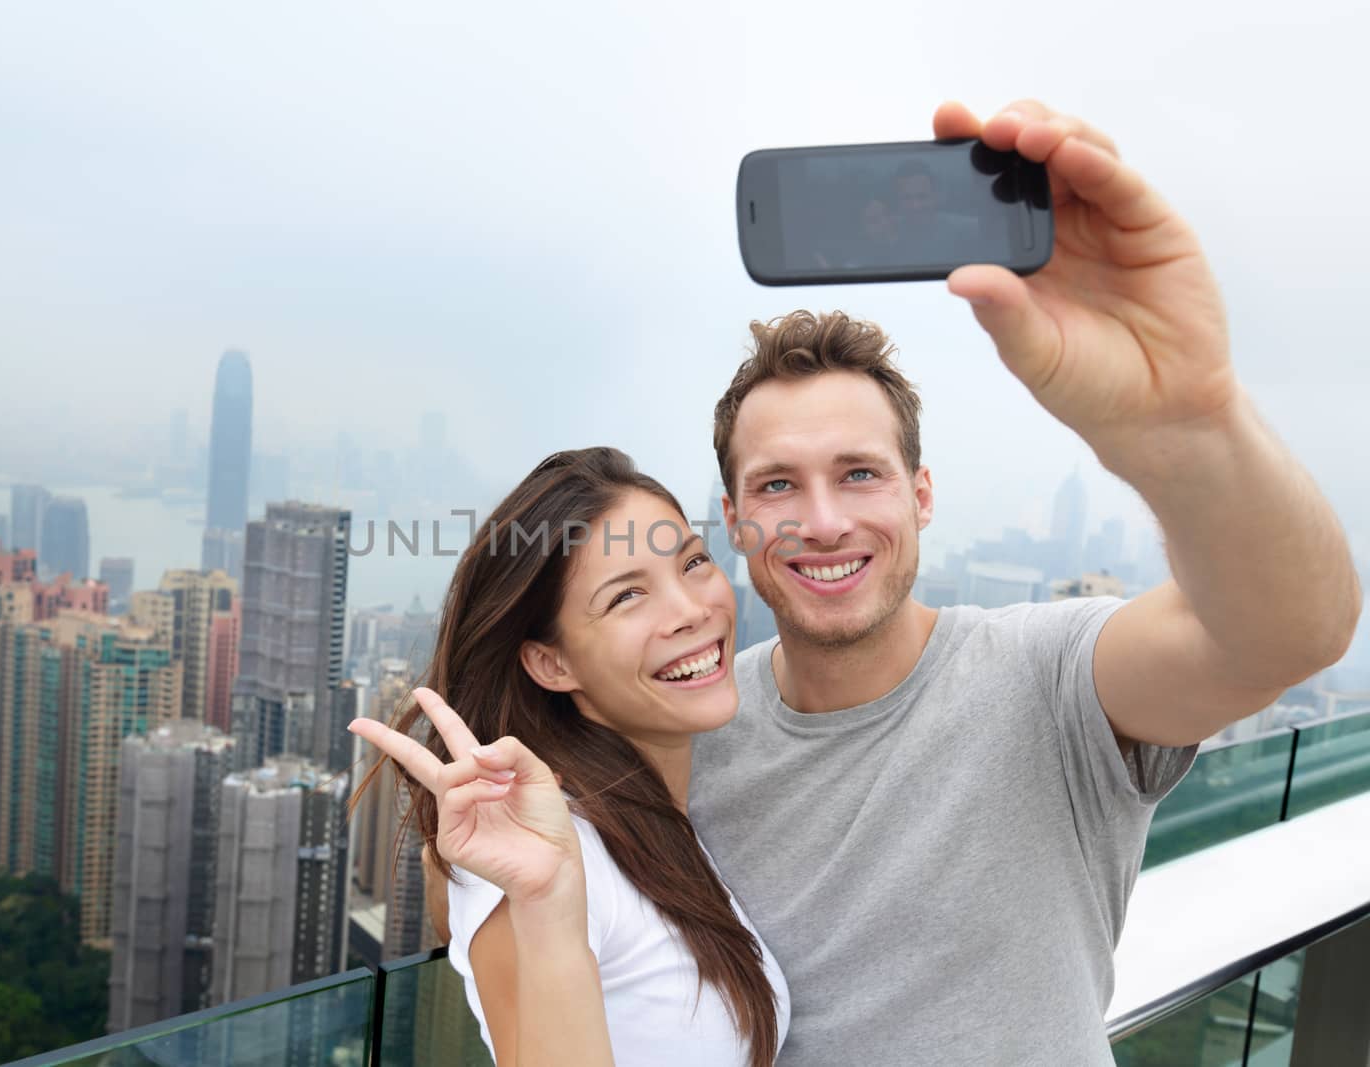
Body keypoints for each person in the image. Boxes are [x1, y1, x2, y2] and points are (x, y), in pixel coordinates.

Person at [683, 99, 1362, 1065]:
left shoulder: (1050, 680)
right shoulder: (693, 732)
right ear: (736, 518)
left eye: (860, 473)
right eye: (779, 485)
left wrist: (1189, 421)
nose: (824, 520)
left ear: (921, 495)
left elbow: (1290, 632)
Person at [349, 447, 790, 1067]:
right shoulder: (540, 860)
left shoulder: (655, 820)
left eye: (693, 562)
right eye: (626, 597)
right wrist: (544, 898)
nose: (692, 610)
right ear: (551, 663)